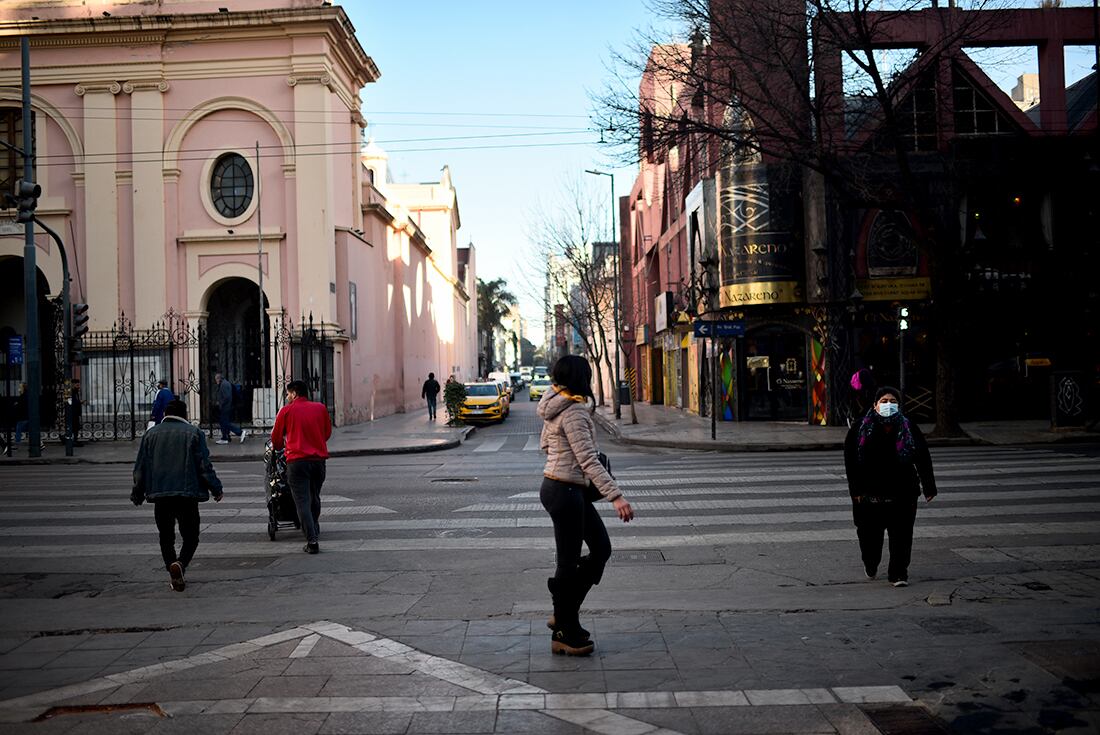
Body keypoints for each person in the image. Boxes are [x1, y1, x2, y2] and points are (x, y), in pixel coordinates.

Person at [537, 354, 634, 656]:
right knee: (569, 561)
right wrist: (616, 495)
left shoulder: (556, 404)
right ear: (582, 377)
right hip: (565, 490)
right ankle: (565, 629)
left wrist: (565, 455)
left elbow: (545, 445)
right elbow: (588, 459)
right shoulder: (574, 411)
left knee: (600, 548)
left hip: (559, 487)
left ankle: (562, 614)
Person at [844, 386, 937, 587]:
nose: (888, 405)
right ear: (875, 405)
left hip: (903, 491)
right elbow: (851, 463)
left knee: (902, 536)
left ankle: (898, 573)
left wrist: (929, 487)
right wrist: (856, 491)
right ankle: (871, 563)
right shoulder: (860, 428)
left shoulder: (908, 427)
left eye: (893, 401)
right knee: (870, 538)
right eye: (884, 401)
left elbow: (922, 457)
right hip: (870, 494)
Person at [131, 399, 223, 592]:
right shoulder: (194, 433)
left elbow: (140, 468)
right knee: (191, 536)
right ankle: (180, 564)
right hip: (186, 495)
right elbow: (203, 466)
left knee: (166, 536)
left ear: (165, 414)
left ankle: (172, 567)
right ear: (185, 415)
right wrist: (216, 488)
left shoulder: (150, 434)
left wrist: (138, 493)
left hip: (160, 495)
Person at [271, 379, 332, 554]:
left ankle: (312, 540)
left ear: (295, 393)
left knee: (302, 501)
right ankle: (314, 527)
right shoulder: (320, 408)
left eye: (289, 394)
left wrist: (283, 446)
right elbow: (326, 433)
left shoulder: (286, 411)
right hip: (318, 461)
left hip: (297, 462)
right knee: (315, 496)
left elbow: (276, 440)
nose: (288, 397)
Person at [214, 373, 247, 445]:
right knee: (223, 422)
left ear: (218, 378)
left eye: (216, 379)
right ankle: (225, 437)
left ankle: (240, 432)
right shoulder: (225, 383)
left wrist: (220, 403)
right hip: (227, 406)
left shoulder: (224, 385)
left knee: (225, 423)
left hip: (226, 407)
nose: (215, 381)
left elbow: (227, 397)